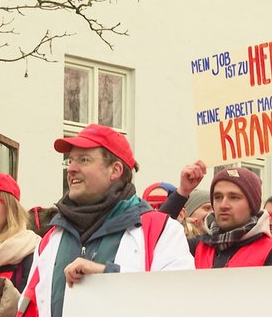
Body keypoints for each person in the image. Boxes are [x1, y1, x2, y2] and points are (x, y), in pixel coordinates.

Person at [19, 124, 194, 317]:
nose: (71, 169)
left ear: (115, 170)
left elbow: (180, 302)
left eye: (84, 160)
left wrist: (108, 275)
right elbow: (29, 308)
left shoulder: (161, 230)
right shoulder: (51, 238)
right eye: (70, 161)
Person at [190, 166, 272, 268]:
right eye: (218, 197)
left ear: (252, 205)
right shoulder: (196, 246)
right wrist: (182, 193)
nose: (223, 205)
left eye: (234, 197)